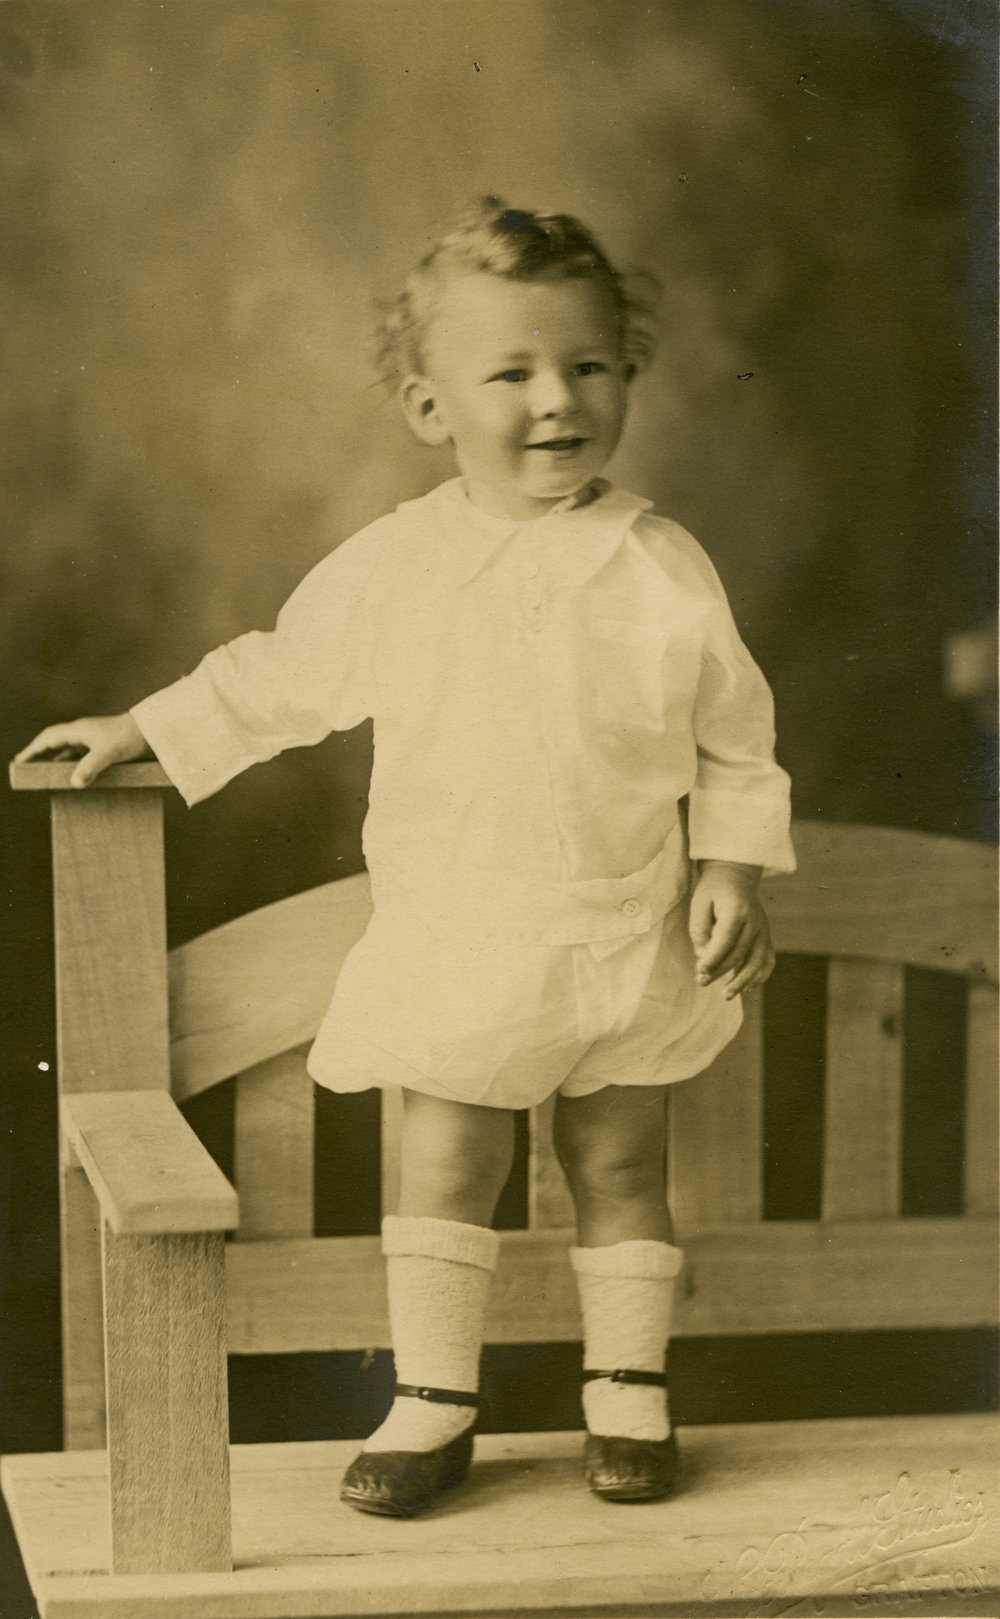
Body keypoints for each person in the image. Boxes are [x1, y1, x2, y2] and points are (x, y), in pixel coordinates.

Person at [18, 198, 795, 1518]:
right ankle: (434, 1401)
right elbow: (284, 678)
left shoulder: (663, 567)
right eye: (512, 373)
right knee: (447, 1160)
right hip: (464, 936)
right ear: (430, 407)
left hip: (623, 932)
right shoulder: (402, 563)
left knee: (620, 1163)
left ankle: (629, 1395)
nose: (558, 399)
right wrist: (146, 724)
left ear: (627, 373)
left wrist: (728, 870)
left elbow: (736, 741)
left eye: (591, 366)